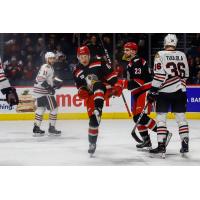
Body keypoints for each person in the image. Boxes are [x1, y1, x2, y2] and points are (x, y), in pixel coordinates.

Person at [73, 46, 123, 156]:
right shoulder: (77, 71)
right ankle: (92, 143)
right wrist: (81, 91)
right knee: (93, 121)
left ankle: (98, 108)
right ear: (78, 57)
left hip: (104, 89)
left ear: (89, 55)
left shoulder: (99, 62)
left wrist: (117, 85)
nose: (84, 59)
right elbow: (80, 87)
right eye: (81, 57)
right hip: (91, 96)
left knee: (98, 84)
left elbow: (113, 78)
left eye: (85, 56)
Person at [147, 34, 189, 157]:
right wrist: (178, 84)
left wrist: (153, 90)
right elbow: (186, 74)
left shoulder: (160, 54)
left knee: (161, 120)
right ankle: (185, 143)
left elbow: (159, 75)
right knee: (181, 118)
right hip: (180, 91)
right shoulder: (182, 55)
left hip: (164, 93)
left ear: (165, 43)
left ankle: (161, 145)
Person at [121, 42, 165, 150]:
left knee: (139, 117)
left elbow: (139, 81)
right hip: (137, 92)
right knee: (137, 118)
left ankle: (164, 134)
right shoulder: (132, 62)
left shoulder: (137, 62)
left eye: (127, 50)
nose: (125, 52)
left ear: (134, 51)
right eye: (125, 50)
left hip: (144, 90)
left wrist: (122, 84)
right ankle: (146, 140)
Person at [33, 52, 63, 137]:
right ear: (47, 59)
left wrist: (58, 81)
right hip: (44, 92)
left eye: (53, 58)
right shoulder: (46, 67)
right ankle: (51, 128)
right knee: (54, 108)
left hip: (38, 91)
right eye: (51, 58)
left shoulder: (48, 67)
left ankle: (36, 128)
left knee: (41, 109)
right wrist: (49, 88)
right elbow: (41, 79)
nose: (52, 60)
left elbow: (50, 78)